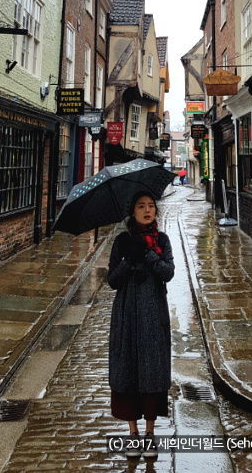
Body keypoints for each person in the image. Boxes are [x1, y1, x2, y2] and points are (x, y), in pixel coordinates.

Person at [107, 191, 175, 461]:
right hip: (126, 314)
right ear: (132, 212)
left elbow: (168, 273)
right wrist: (127, 259)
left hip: (153, 313)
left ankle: (149, 434)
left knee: (151, 372)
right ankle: (132, 433)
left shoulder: (162, 240)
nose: (147, 210)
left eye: (151, 206)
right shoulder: (122, 241)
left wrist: (147, 253)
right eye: (141, 206)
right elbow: (112, 280)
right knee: (128, 372)